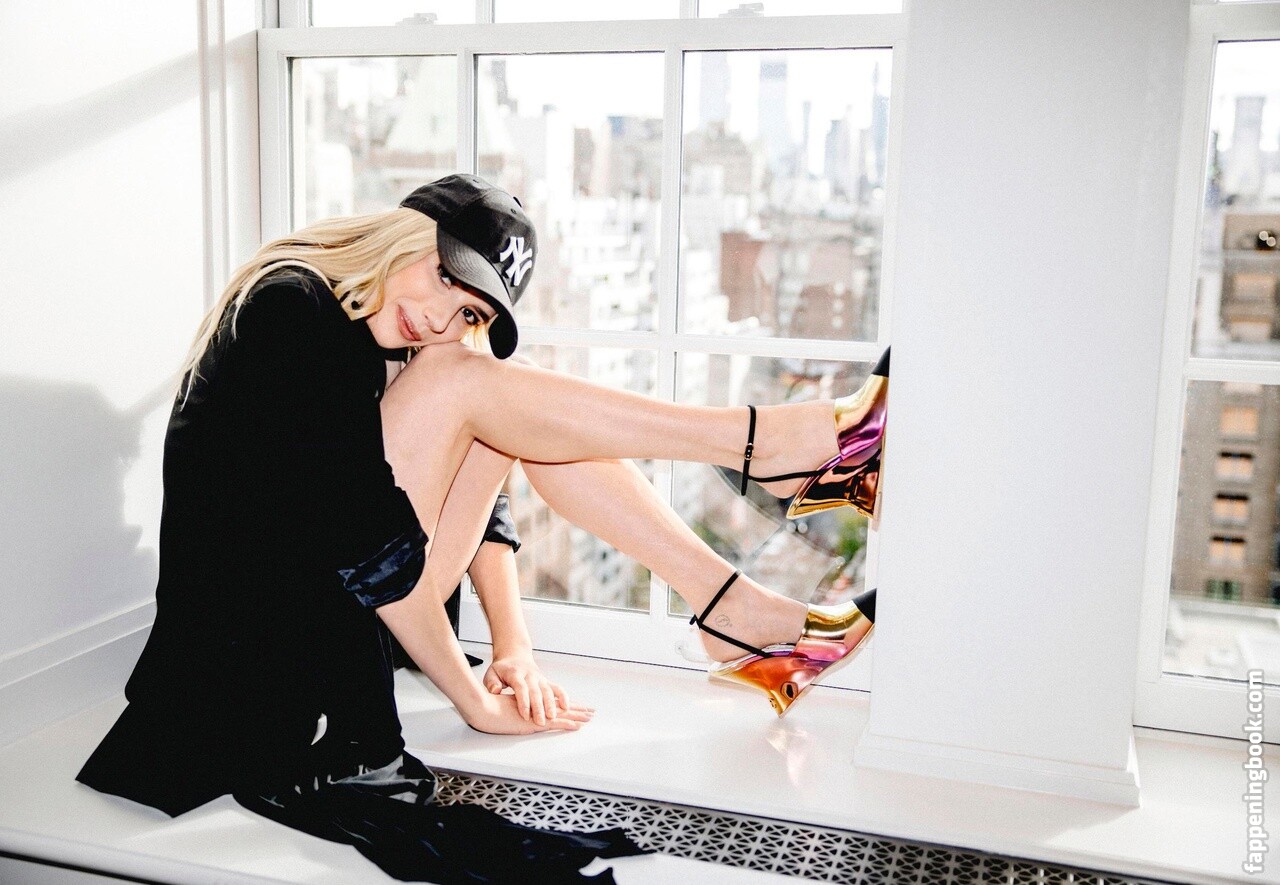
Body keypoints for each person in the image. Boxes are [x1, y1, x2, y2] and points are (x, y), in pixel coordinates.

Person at [76, 174, 885, 883]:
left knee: (496, 387)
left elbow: (478, 507)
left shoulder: (382, 340)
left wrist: (513, 646)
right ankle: (766, 447)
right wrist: (472, 701)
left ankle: (734, 604)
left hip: (333, 622)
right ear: (403, 233)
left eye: (467, 308)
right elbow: (369, 542)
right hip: (251, 669)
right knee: (466, 378)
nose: (439, 317)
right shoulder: (290, 305)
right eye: (444, 277)